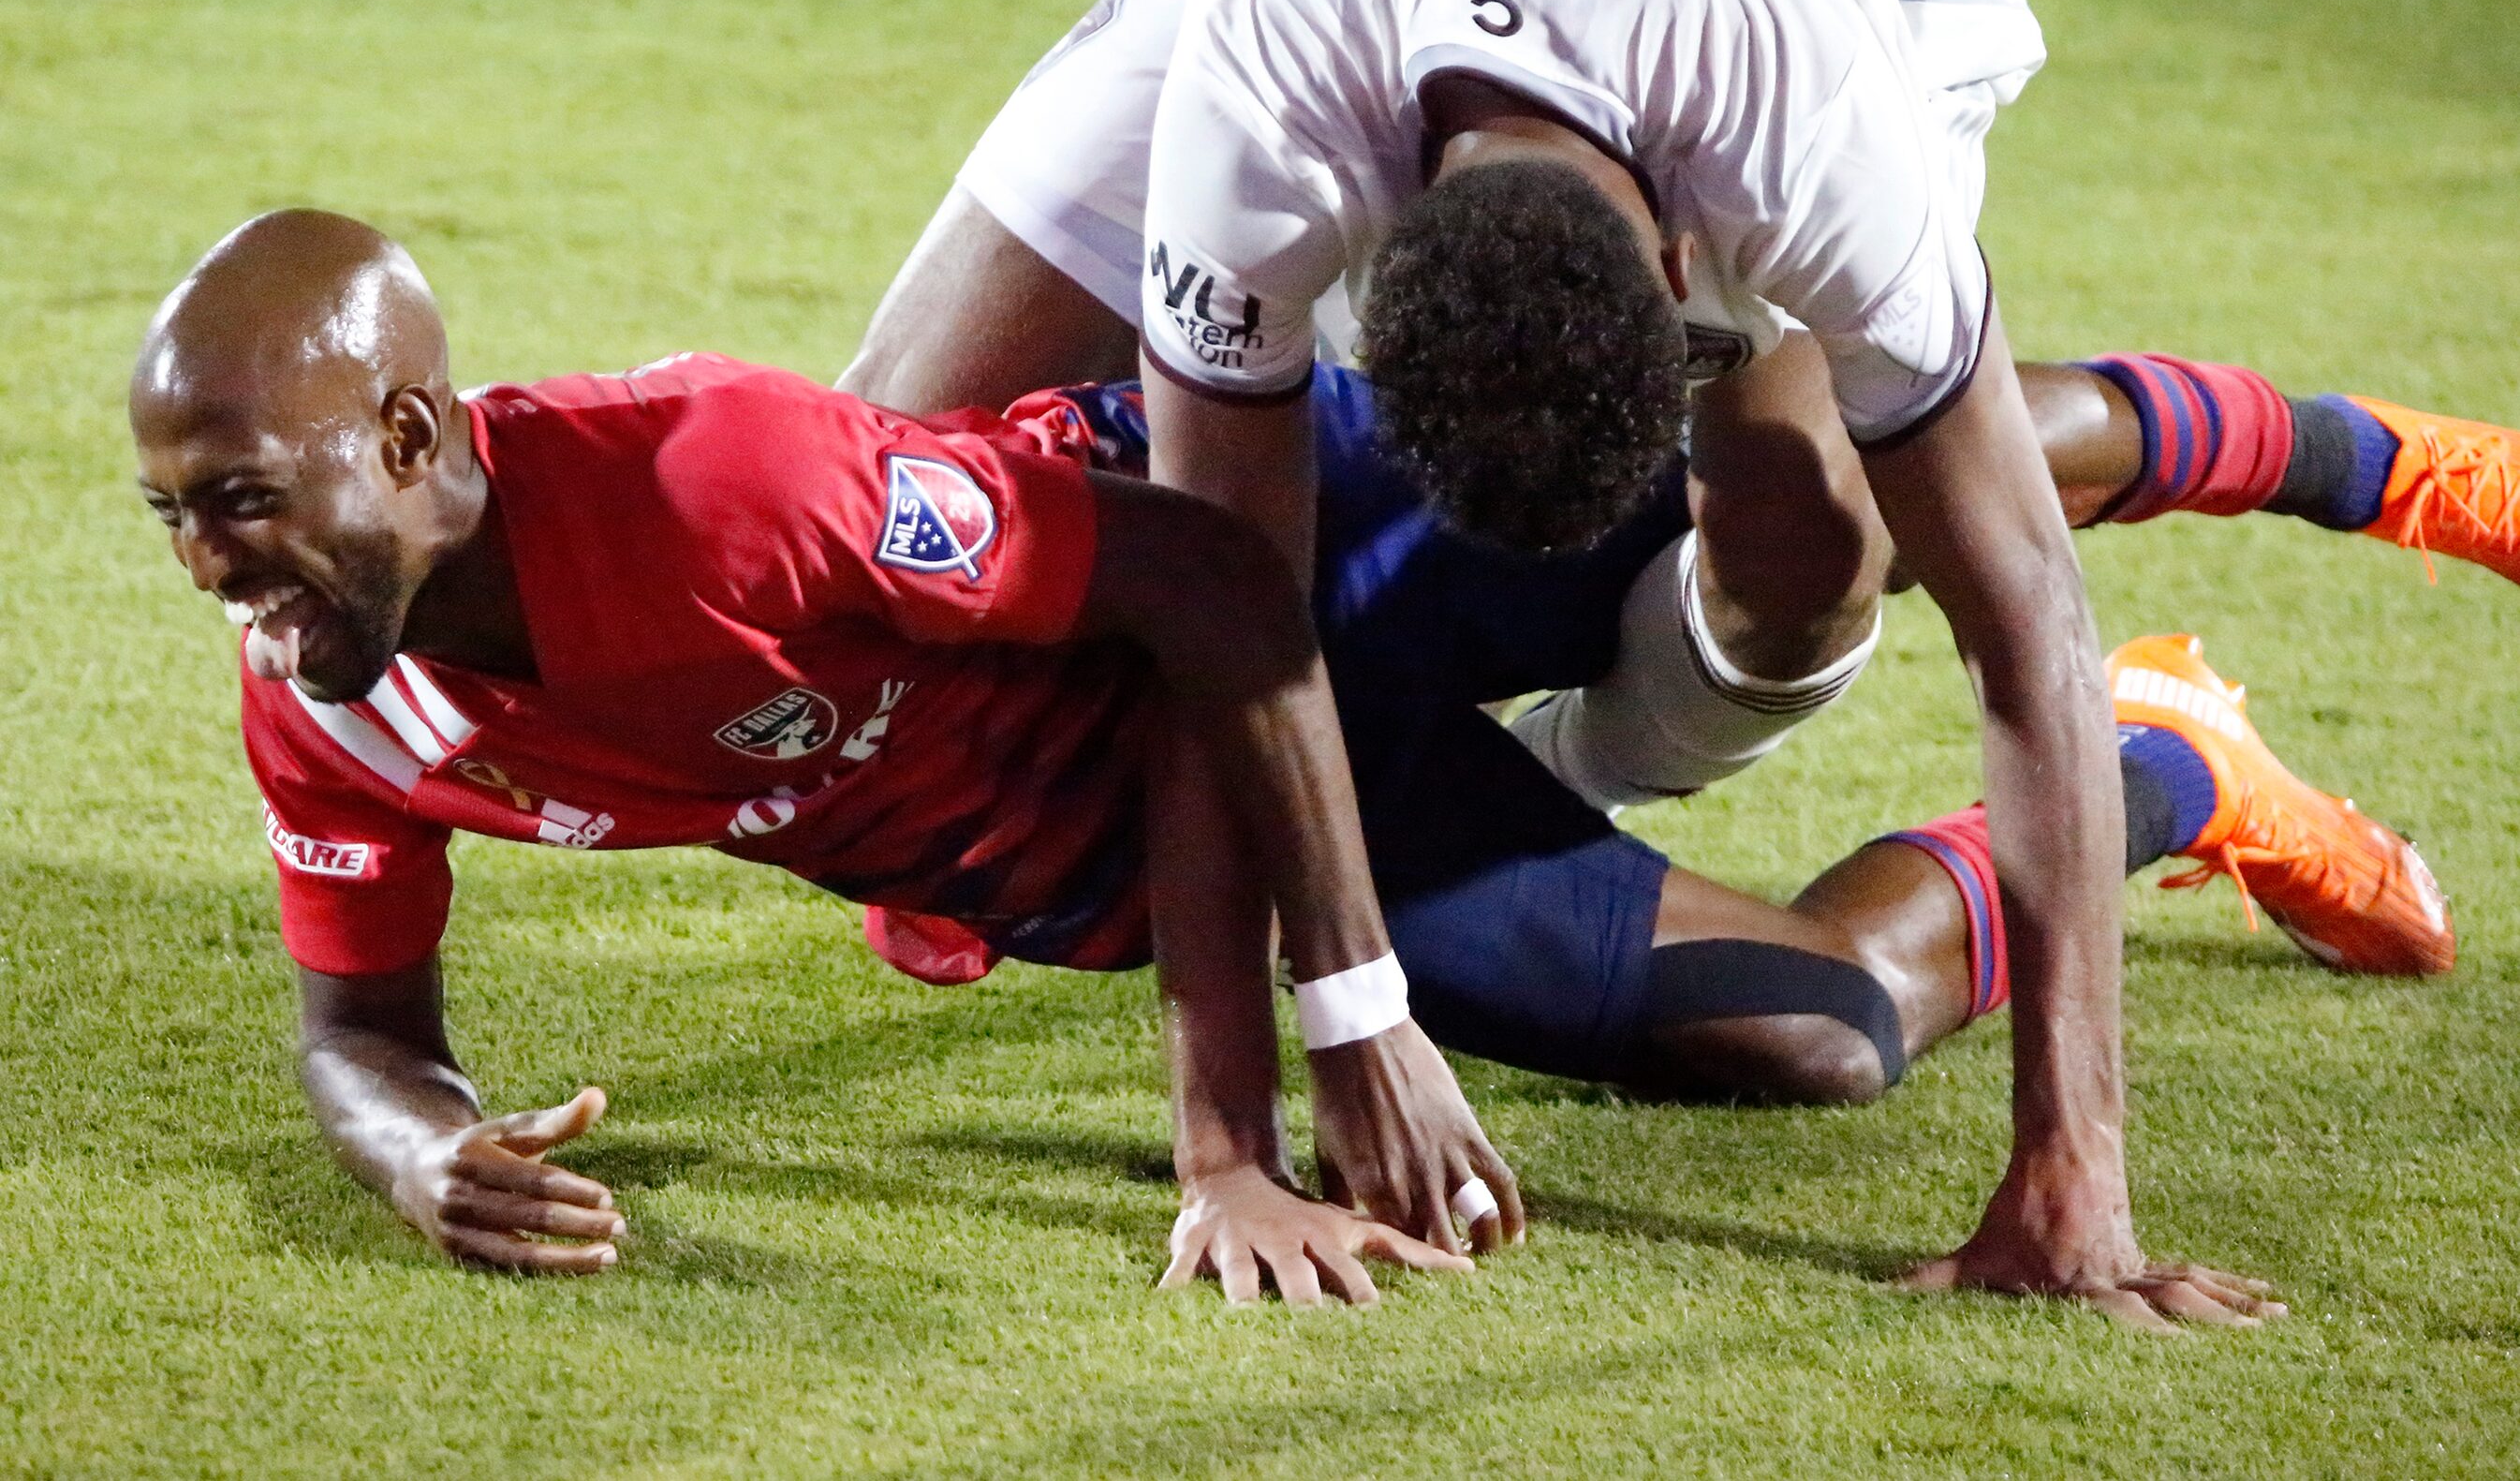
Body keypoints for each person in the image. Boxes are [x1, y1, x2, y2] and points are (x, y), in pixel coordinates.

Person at [839, 0, 2518, 1311]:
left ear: (1687, 275)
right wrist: (1256, 1119)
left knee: (1820, 540)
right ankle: (2143, 750)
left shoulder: (1809, 124)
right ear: (1369, 256)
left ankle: (2331, 465)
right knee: (878, 447)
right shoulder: (1261, 98)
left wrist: (2073, 1168)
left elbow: (2025, 621)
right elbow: (1224, 589)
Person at [133, 216, 2443, 1325]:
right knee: (1819, 1037)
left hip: (1312, 551)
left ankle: (2334, 454)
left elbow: (1205, 595)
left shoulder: (717, 484)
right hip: (1184, 832)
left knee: (1814, 494)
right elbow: (358, 1027)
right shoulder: (341, 694)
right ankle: (2164, 762)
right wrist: (417, 1142)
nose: (217, 570)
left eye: (243, 500)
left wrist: (1305, 1073)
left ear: (416, 436)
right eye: (175, 522)